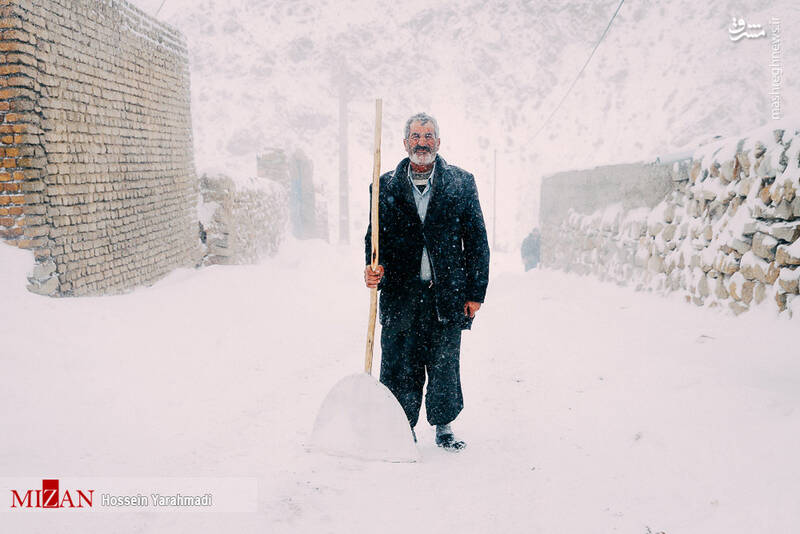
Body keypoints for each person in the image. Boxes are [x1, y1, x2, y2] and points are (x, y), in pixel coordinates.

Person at [363, 112, 490, 451]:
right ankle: (400, 428)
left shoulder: (461, 183)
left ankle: (444, 426)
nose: (422, 142)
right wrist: (372, 268)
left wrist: (475, 293)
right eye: (416, 136)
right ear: (405, 143)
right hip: (401, 296)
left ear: (439, 142)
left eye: (428, 136)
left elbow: (476, 240)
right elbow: (374, 240)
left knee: (443, 363)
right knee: (400, 365)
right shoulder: (384, 186)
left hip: (445, 294)